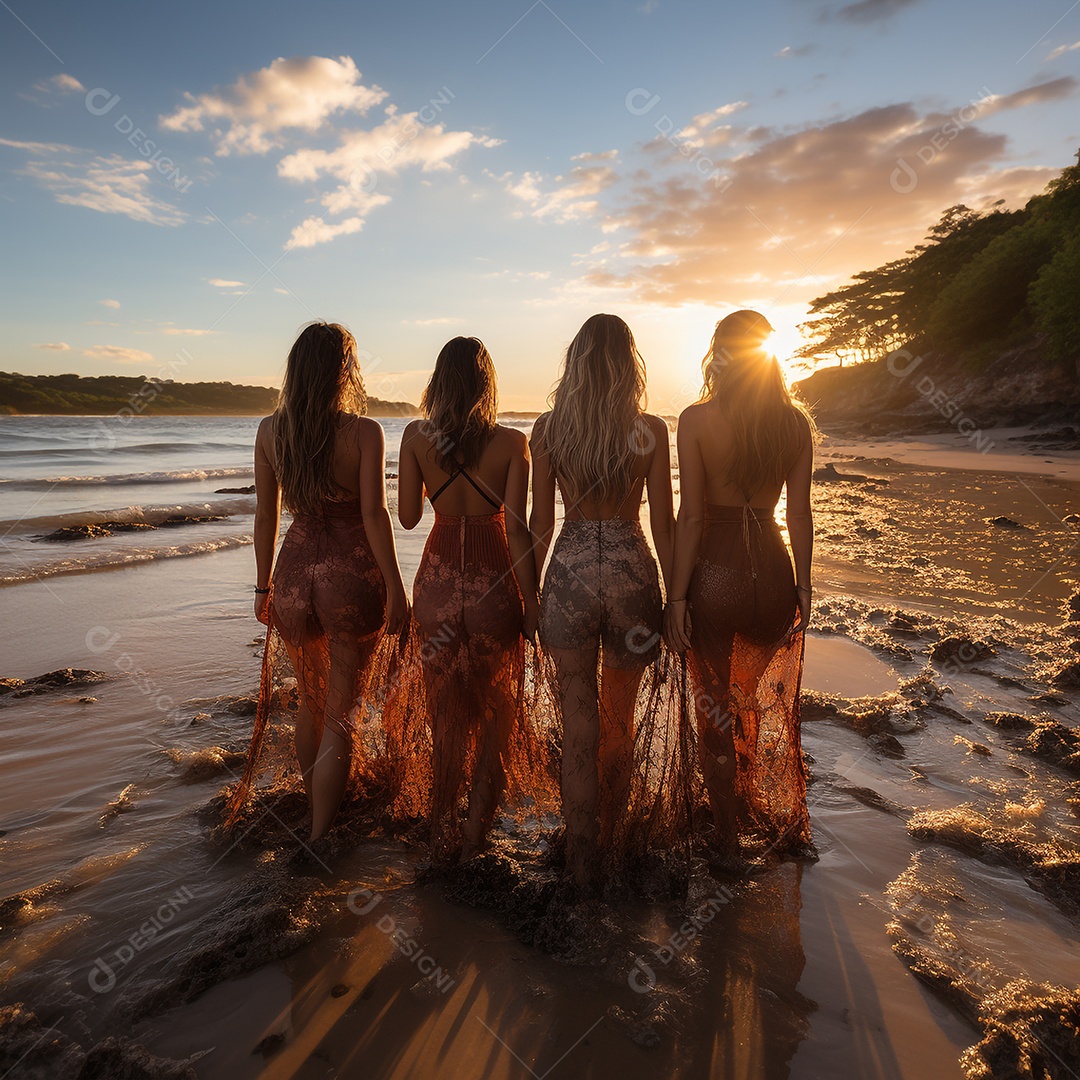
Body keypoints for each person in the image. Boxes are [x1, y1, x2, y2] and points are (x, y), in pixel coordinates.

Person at [237, 321, 409, 842]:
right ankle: (319, 835)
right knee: (341, 712)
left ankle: (315, 813)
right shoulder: (363, 432)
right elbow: (375, 515)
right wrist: (398, 589)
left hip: (292, 574)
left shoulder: (271, 430)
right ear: (345, 371)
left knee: (310, 705)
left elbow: (265, 517)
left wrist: (262, 586)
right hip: (349, 575)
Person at [529, 313, 675, 889]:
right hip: (631, 569)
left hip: (568, 572)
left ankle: (581, 860)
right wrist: (679, 595)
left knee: (578, 723)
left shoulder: (549, 428)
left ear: (575, 362)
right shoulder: (650, 430)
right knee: (620, 720)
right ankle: (613, 844)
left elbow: (541, 524)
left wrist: (525, 595)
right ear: (628, 363)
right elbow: (664, 522)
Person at [664, 309, 815, 858]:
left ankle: (726, 840)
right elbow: (798, 514)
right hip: (774, 574)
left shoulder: (697, 419)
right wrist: (804, 587)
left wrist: (676, 597)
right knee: (750, 702)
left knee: (715, 712)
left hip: (717, 577)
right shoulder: (794, 423)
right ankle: (753, 809)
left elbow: (693, 518)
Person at [398, 336, 543, 861]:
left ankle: (439, 829)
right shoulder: (512, 442)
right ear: (488, 384)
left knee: (445, 716)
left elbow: (409, 517)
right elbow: (522, 530)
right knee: (497, 711)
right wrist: (532, 605)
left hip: (436, 586)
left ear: (438, 383)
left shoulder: (416, 436)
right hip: (493, 587)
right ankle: (474, 840)